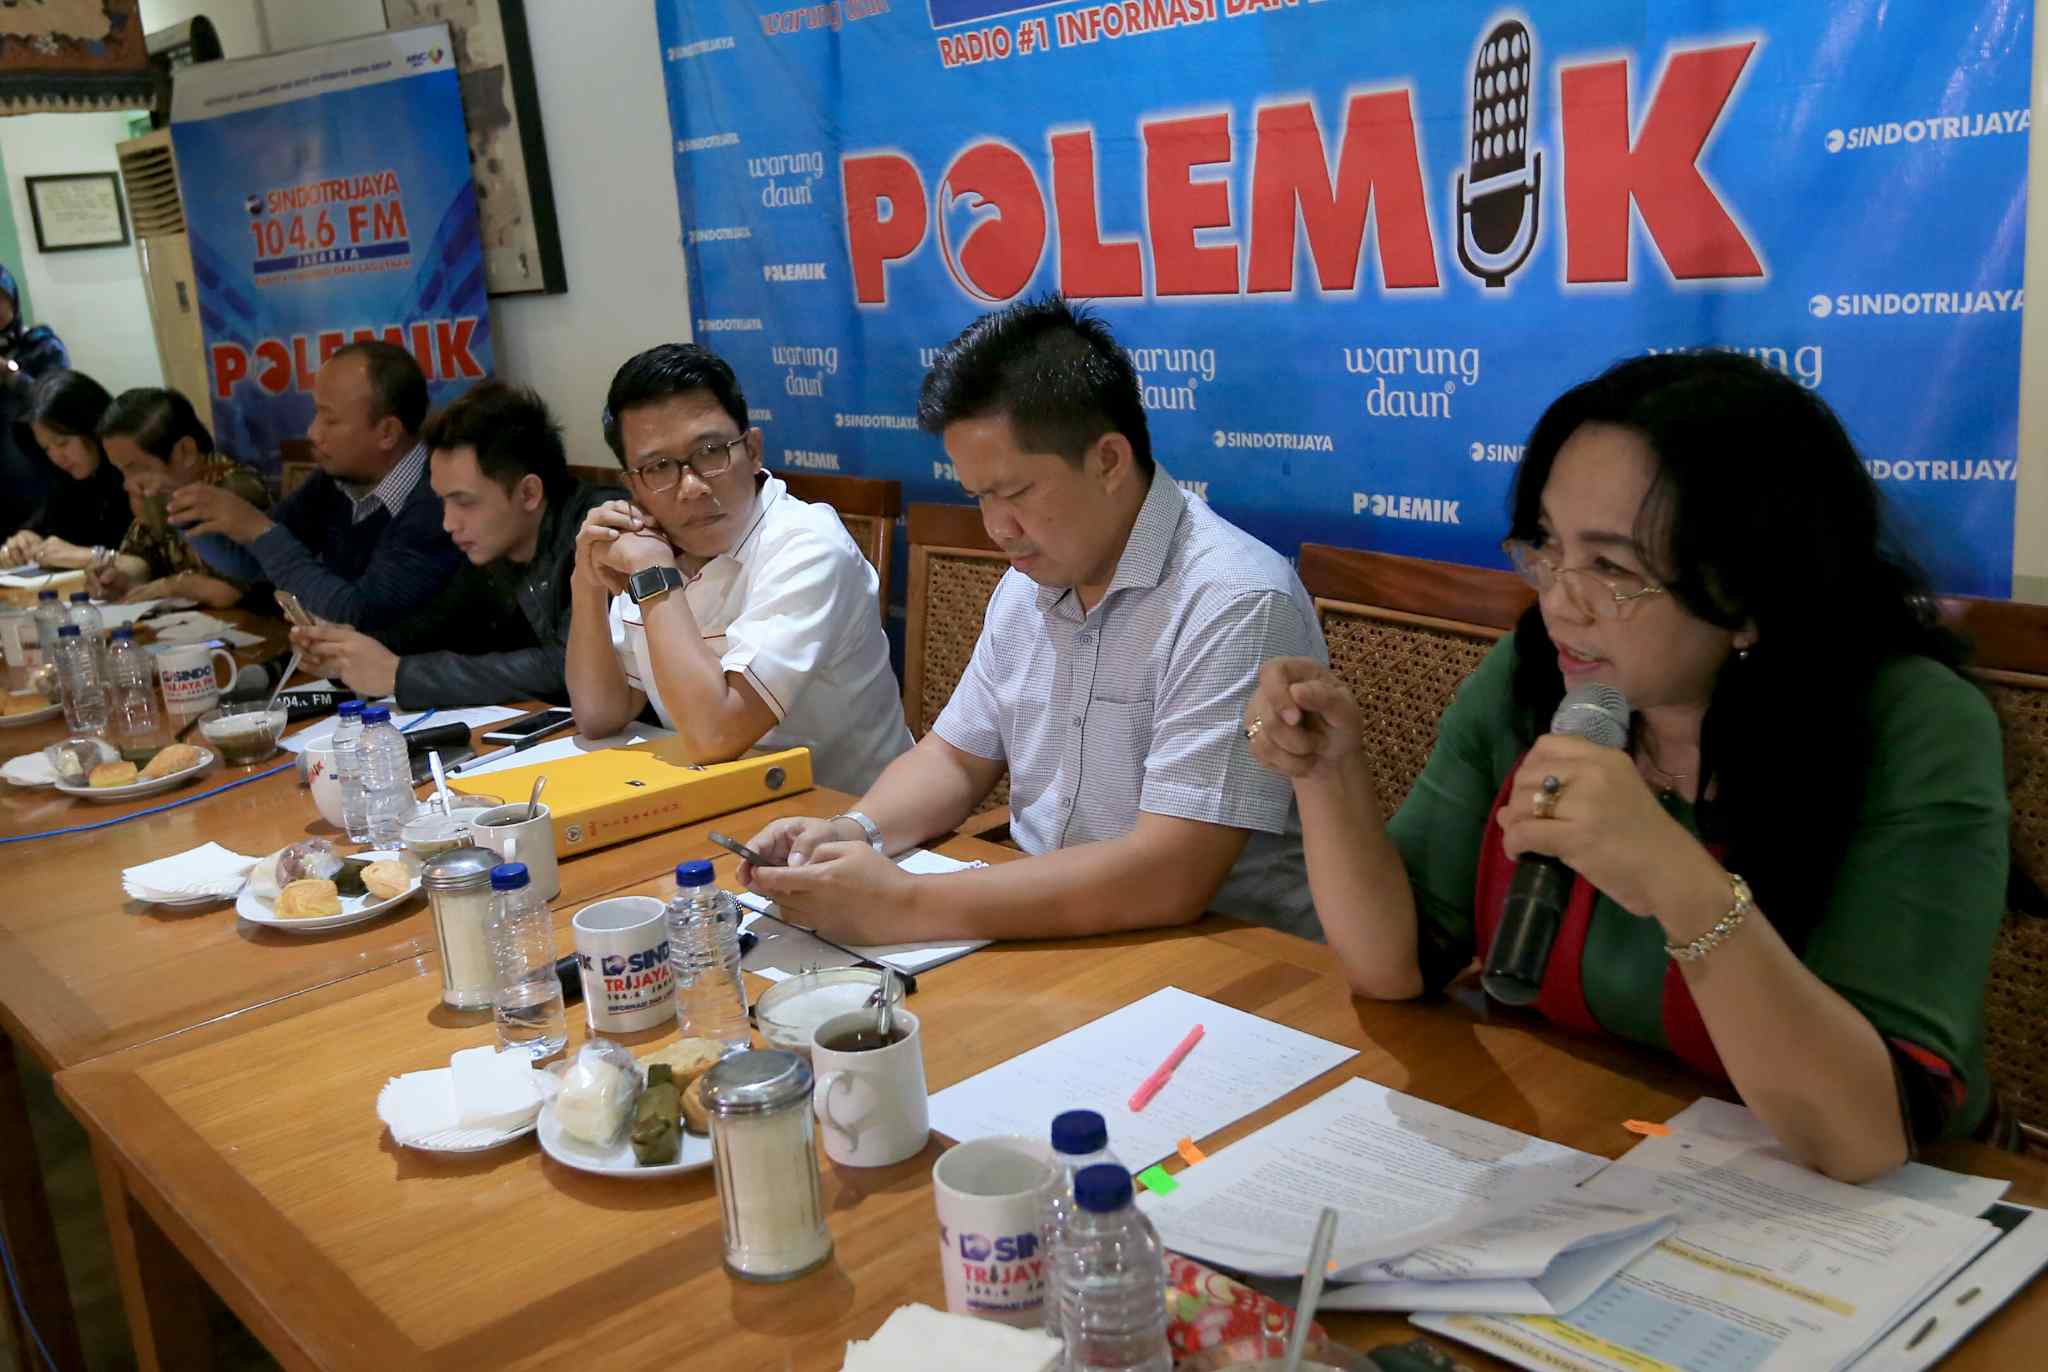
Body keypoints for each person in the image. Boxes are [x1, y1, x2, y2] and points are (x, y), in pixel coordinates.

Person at [1244, 351, 2007, 1182]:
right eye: (1547, 546)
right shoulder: (1537, 676)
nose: (1560, 599)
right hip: (1605, 1137)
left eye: (1610, 567)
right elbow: (1393, 967)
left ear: (1746, 595)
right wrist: (1327, 777)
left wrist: (1677, 881)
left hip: (1879, 1200)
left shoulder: (1913, 726)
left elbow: (1862, 1139)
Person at [739, 296, 1326, 944]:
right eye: (979, 497)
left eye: (1015, 492)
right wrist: (851, 833)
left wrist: (903, 904)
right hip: (1049, 920)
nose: (997, 528)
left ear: (1108, 461)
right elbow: (955, 759)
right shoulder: (1032, 579)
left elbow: (1172, 876)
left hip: (1226, 951)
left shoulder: (1234, 601)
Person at [565, 343, 911, 792]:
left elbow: (716, 735)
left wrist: (653, 573)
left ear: (753, 449)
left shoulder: (808, 547)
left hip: (849, 814)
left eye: (710, 451)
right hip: (723, 803)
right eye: (659, 467)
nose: (691, 486)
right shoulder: (649, 544)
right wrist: (587, 581)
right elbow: (599, 716)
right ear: (634, 486)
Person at [291, 381, 622, 707]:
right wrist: (345, 653)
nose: (448, 522)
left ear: (528, 493)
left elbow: (564, 667)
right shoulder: (495, 551)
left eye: (464, 502)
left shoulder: (602, 532)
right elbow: (435, 627)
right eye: (443, 502)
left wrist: (398, 675)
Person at [172, 340, 463, 631]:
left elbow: (357, 615)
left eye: (330, 420)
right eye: (316, 413)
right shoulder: (333, 481)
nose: (313, 432)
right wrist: (184, 505)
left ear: (387, 433)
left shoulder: (437, 502)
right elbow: (250, 564)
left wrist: (258, 530)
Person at [83, 387, 270, 607]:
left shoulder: (236, 489)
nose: (127, 483)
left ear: (185, 451)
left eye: (135, 468)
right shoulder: (161, 492)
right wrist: (117, 576)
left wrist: (171, 586)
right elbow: (141, 556)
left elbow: (235, 590)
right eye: (121, 471)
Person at [0, 370, 129, 569]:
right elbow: (44, 526)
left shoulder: (134, 473)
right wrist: (25, 540)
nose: (56, 458)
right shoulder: (64, 481)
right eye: (46, 448)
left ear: (93, 426)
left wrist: (89, 556)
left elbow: (155, 559)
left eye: (62, 443)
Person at [0, 263, 69, 538]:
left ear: (12, 300)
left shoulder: (42, 345)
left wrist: (11, 375)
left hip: (35, 470)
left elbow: (58, 400)